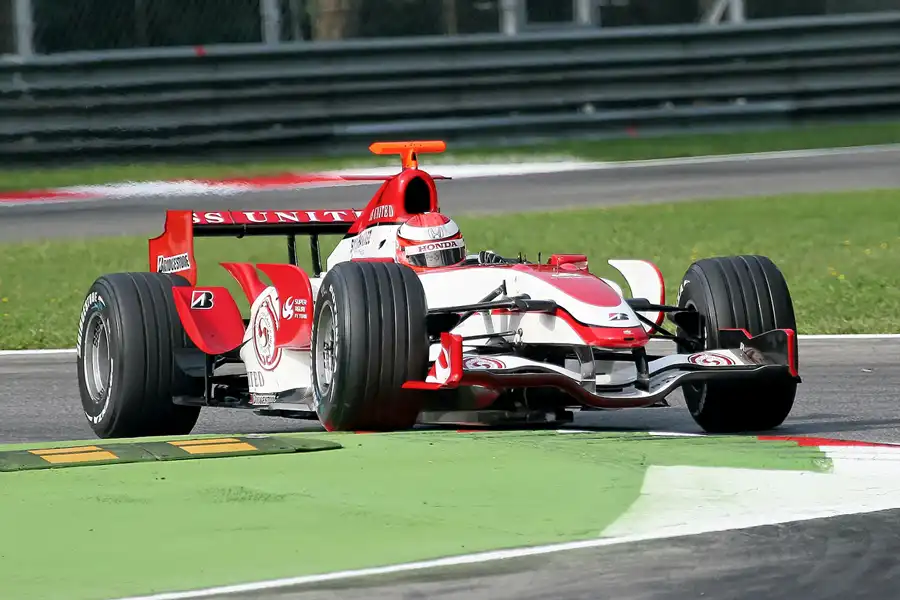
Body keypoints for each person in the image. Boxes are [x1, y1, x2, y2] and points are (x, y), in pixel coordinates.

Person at [394, 212, 514, 271]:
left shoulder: (480, 263)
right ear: (404, 255)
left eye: (448, 256)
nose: (442, 268)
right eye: (431, 258)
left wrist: (498, 268)